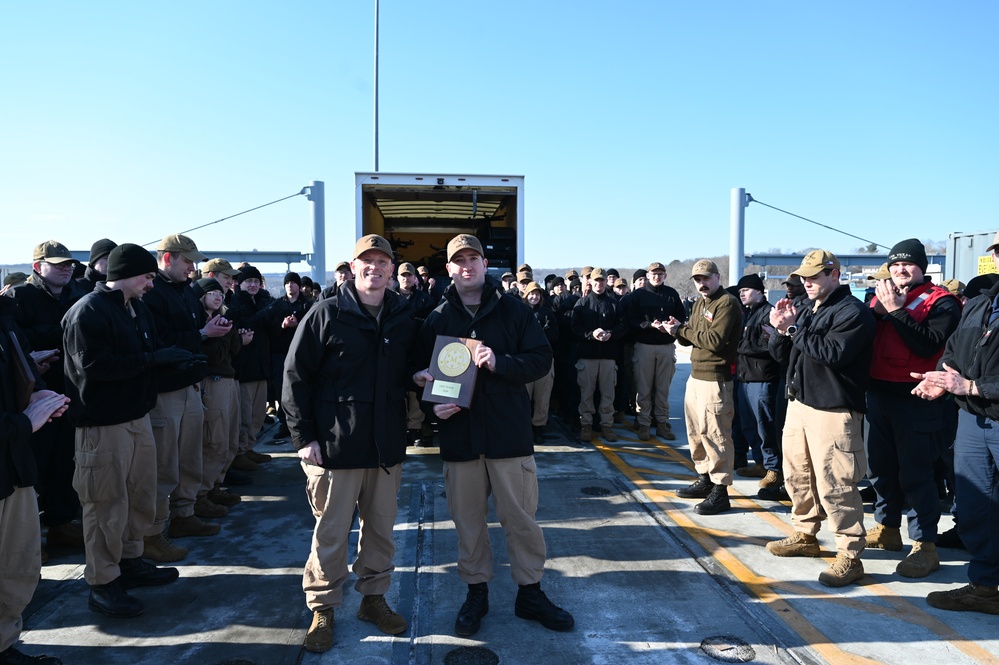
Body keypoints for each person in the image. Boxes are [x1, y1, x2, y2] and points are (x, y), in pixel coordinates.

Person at [414, 234, 573, 637]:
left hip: (507, 436)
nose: (467, 266)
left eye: (474, 258)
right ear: (448, 269)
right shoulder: (437, 319)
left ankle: (530, 592)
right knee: (468, 522)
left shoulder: (515, 312)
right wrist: (430, 403)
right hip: (460, 438)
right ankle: (476, 592)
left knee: (521, 519)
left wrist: (500, 361)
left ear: (486, 265)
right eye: (459, 261)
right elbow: (419, 375)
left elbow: (541, 359)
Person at [283, 235, 416, 653]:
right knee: (331, 534)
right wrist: (304, 439)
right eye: (367, 261)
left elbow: (415, 369)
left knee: (381, 531)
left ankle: (373, 599)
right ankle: (323, 607)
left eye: (382, 261)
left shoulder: (403, 317)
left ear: (392, 269)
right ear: (353, 267)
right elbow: (295, 378)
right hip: (336, 448)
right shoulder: (326, 314)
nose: (374, 267)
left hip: (384, 447)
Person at [63, 243, 191, 618]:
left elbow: (143, 358)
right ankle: (102, 583)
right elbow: (95, 367)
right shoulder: (87, 312)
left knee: (139, 496)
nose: (152, 283)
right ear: (126, 274)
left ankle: (130, 561)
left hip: (137, 419)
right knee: (105, 505)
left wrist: (175, 363)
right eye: (147, 276)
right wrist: (154, 360)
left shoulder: (135, 309)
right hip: (102, 427)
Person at [765, 250, 875, 587]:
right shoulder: (811, 309)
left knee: (836, 484)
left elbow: (834, 354)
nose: (806, 282)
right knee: (797, 475)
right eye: (804, 277)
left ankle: (849, 554)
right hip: (801, 404)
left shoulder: (852, 312)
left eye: (814, 277)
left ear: (834, 275)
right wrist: (780, 330)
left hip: (834, 410)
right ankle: (805, 534)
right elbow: (783, 356)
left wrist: (795, 327)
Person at [909, 231, 999, 614]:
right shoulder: (981, 303)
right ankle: (984, 588)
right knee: (977, 508)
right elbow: (954, 352)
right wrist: (940, 379)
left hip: (986, 407)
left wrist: (974, 386)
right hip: (972, 422)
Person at [865, 239, 960, 578]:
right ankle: (888, 528)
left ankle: (925, 545)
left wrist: (895, 312)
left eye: (907, 265)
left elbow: (929, 344)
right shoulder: (880, 298)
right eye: (895, 265)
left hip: (917, 399)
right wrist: (873, 314)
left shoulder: (943, 302)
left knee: (916, 473)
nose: (900, 270)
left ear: (922, 268)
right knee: (880, 468)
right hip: (879, 395)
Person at [142, 234, 223, 562]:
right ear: (167, 258)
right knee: (164, 463)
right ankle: (154, 531)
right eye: (188, 261)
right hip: (166, 391)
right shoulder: (153, 295)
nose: (193, 267)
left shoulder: (185, 293)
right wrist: (202, 334)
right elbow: (157, 341)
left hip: (188, 385)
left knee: (190, 455)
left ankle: (184, 513)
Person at [5, 240, 86, 556]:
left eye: (68, 263)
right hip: (33, 396)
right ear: (37, 267)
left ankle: (61, 524)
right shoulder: (19, 297)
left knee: (65, 459)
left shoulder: (75, 295)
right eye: (58, 264)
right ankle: (28, 532)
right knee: (35, 461)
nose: (67, 268)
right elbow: (15, 339)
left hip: (66, 391)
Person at [0, 295, 69, 664]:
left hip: (14, 465)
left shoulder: (5, 316)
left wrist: (36, 388)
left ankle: (5, 644)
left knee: (18, 564)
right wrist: (26, 421)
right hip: (12, 447)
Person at [665, 260, 741, 515]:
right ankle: (705, 478)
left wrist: (682, 330)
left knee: (716, 435)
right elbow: (694, 334)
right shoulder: (700, 303)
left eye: (706, 278)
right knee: (696, 432)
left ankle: (721, 491)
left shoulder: (726, 303)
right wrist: (678, 330)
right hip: (697, 376)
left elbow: (715, 341)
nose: (702, 284)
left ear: (718, 277)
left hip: (715, 379)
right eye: (697, 280)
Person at [192, 277, 245, 514]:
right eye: (212, 292)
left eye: (221, 294)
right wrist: (215, 334)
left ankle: (214, 485)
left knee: (227, 438)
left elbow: (232, 350)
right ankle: (201, 494)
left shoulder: (222, 319)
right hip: (210, 382)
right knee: (212, 439)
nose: (218, 296)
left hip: (226, 379)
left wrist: (227, 332)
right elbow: (213, 356)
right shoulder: (198, 321)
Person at [626, 261, 686, 441]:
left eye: (660, 274)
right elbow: (631, 320)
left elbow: (681, 317)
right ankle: (644, 423)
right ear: (648, 275)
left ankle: (662, 423)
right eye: (654, 274)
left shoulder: (672, 294)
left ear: (665, 276)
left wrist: (672, 325)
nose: (657, 277)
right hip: (644, 346)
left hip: (666, 346)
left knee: (663, 389)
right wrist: (649, 325)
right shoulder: (638, 295)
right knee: (643, 388)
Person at [733, 273, 779, 483]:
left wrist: (739, 345)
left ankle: (774, 469)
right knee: (749, 425)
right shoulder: (749, 313)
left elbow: (768, 346)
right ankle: (761, 463)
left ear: (759, 291)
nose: (741, 294)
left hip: (762, 378)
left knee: (765, 426)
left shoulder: (769, 313)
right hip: (746, 378)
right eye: (740, 291)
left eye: (746, 290)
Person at [572, 268, 626, 442]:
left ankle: (607, 425)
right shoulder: (582, 303)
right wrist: (590, 334)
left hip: (608, 357)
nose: (599, 283)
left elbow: (622, 326)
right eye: (596, 280)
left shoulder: (614, 304)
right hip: (587, 357)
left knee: (608, 394)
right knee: (586, 394)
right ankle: (586, 425)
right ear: (590, 282)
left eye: (602, 281)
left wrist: (611, 333)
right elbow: (575, 328)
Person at [523, 281, 558, 444]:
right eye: (531, 293)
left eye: (537, 294)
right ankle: (523, 428)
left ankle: (538, 428)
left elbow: (554, 334)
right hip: (524, 360)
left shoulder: (547, 313)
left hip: (544, 360)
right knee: (523, 396)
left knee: (542, 397)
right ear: (526, 295)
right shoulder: (520, 312)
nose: (534, 297)